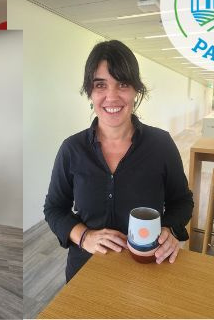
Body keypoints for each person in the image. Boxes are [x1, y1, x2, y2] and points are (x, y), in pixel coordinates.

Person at [44, 40, 195, 281]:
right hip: (86, 269)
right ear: (90, 92)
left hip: (148, 267)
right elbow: (54, 208)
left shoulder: (161, 144)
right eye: (100, 85)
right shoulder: (72, 149)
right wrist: (84, 236)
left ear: (136, 90)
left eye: (122, 84)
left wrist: (168, 229)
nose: (111, 97)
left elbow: (182, 201)